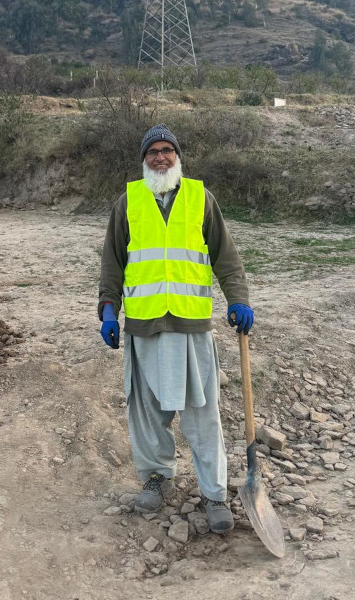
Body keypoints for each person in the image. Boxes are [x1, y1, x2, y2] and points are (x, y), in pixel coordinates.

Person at [98, 123, 254, 534]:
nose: (161, 157)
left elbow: (225, 256)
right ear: (143, 159)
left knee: (202, 414)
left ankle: (215, 494)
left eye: (168, 150)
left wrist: (238, 299)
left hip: (190, 325)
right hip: (144, 326)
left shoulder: (201, 198)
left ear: (178, 156)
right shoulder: (128, 202)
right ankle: (157, 477)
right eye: (153, 151)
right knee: (147, 411)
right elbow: (112, 263)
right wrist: (109, 310)